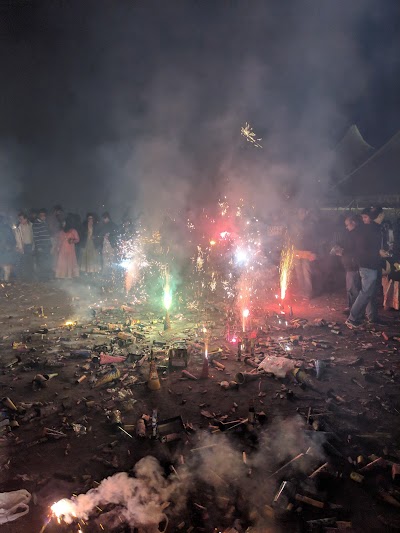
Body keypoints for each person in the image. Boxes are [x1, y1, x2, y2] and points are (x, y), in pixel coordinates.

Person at [346, 207, 382, 328]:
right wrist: (378, 252)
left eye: (365, 217)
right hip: (367, 265)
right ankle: (352, 318)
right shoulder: (364, 230)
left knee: (370, 292)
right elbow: (362, 249)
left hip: (370, 264)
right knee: (366, 292)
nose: (364, 219)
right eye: (363, 217)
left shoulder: (371, 229)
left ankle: (369, 317)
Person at [332, 214, 361, 312]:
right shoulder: (350, 233)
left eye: (347, 224)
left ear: (353, 223)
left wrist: (342, 251)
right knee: (351, 287)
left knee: (353, 287)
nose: (346, 227)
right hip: (349, 264)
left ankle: (354, 309)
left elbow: (354, 249)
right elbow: (345, 244)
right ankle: (352, 307)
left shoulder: (356, 234)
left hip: (353, 265)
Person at [290, 208, 318, 299]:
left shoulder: (311, 223)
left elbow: (313, 239)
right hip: (297, 251)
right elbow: (292, 236)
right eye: (299, 212)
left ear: (306, 213)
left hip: (307, 251)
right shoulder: (295, 223)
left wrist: (314, 252)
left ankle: (308, 293)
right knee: (298, 272)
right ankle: (301, 291)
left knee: (306, 272)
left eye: (302, 212)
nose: (300, 214)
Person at [54, 214, 80, 279]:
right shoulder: (61, 232)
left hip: (70, 250)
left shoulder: (73, 231)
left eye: (64, 223)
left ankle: (69, 275)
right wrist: (57, 247)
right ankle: (62, 275)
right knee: (62, 262)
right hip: (62, 250)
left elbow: (77, 239)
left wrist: (72, 241)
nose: (63, 224)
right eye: (62, 223)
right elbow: (59, 240)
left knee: (69, 262)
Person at [32, 209, 53, 281]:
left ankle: (46, 277)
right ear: (39, 216)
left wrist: (50, 244)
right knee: (41, 262)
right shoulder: (36, 224)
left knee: (47, 261)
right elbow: (36, 236)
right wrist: (39, 247)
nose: (44, 217)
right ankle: (41, 278)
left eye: (44, 215)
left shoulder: (45, 223)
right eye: (42, 215)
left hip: (47, 246)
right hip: (41, 247)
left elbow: (48, 234)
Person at [14, 212, 34, 280]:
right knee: (23, 262)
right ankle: (23, 277)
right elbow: (18, 238)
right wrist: (20, 248)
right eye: (19, 219)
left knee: (30, 261)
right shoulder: (18, 227)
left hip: (30, 245)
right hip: (23, 246)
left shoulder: (31, 225)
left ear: (26, 219)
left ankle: (29, 276)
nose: (20, 220)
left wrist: (33, 246)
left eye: (21, 219)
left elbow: (33, 236)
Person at [98, 212, 117, 277]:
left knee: (111, 259)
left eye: (104, 218)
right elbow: (101, 234)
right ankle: (106, 273)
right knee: (106, 259)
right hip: (105, 244)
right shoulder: (105, 225)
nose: (103, 220)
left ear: (107, 218)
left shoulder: (112, 225)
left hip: (110, 245)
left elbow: (115, 234)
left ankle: (113, 274)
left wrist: (109, 236)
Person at [0, 215, 16, 282]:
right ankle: (3, 280)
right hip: (4, 250)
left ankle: (5, 281)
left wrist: (9, 245)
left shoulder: (6, 228)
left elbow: (12, 240)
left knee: (6, 266)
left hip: (5, 250)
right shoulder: (7, 227)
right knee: (4, 266)